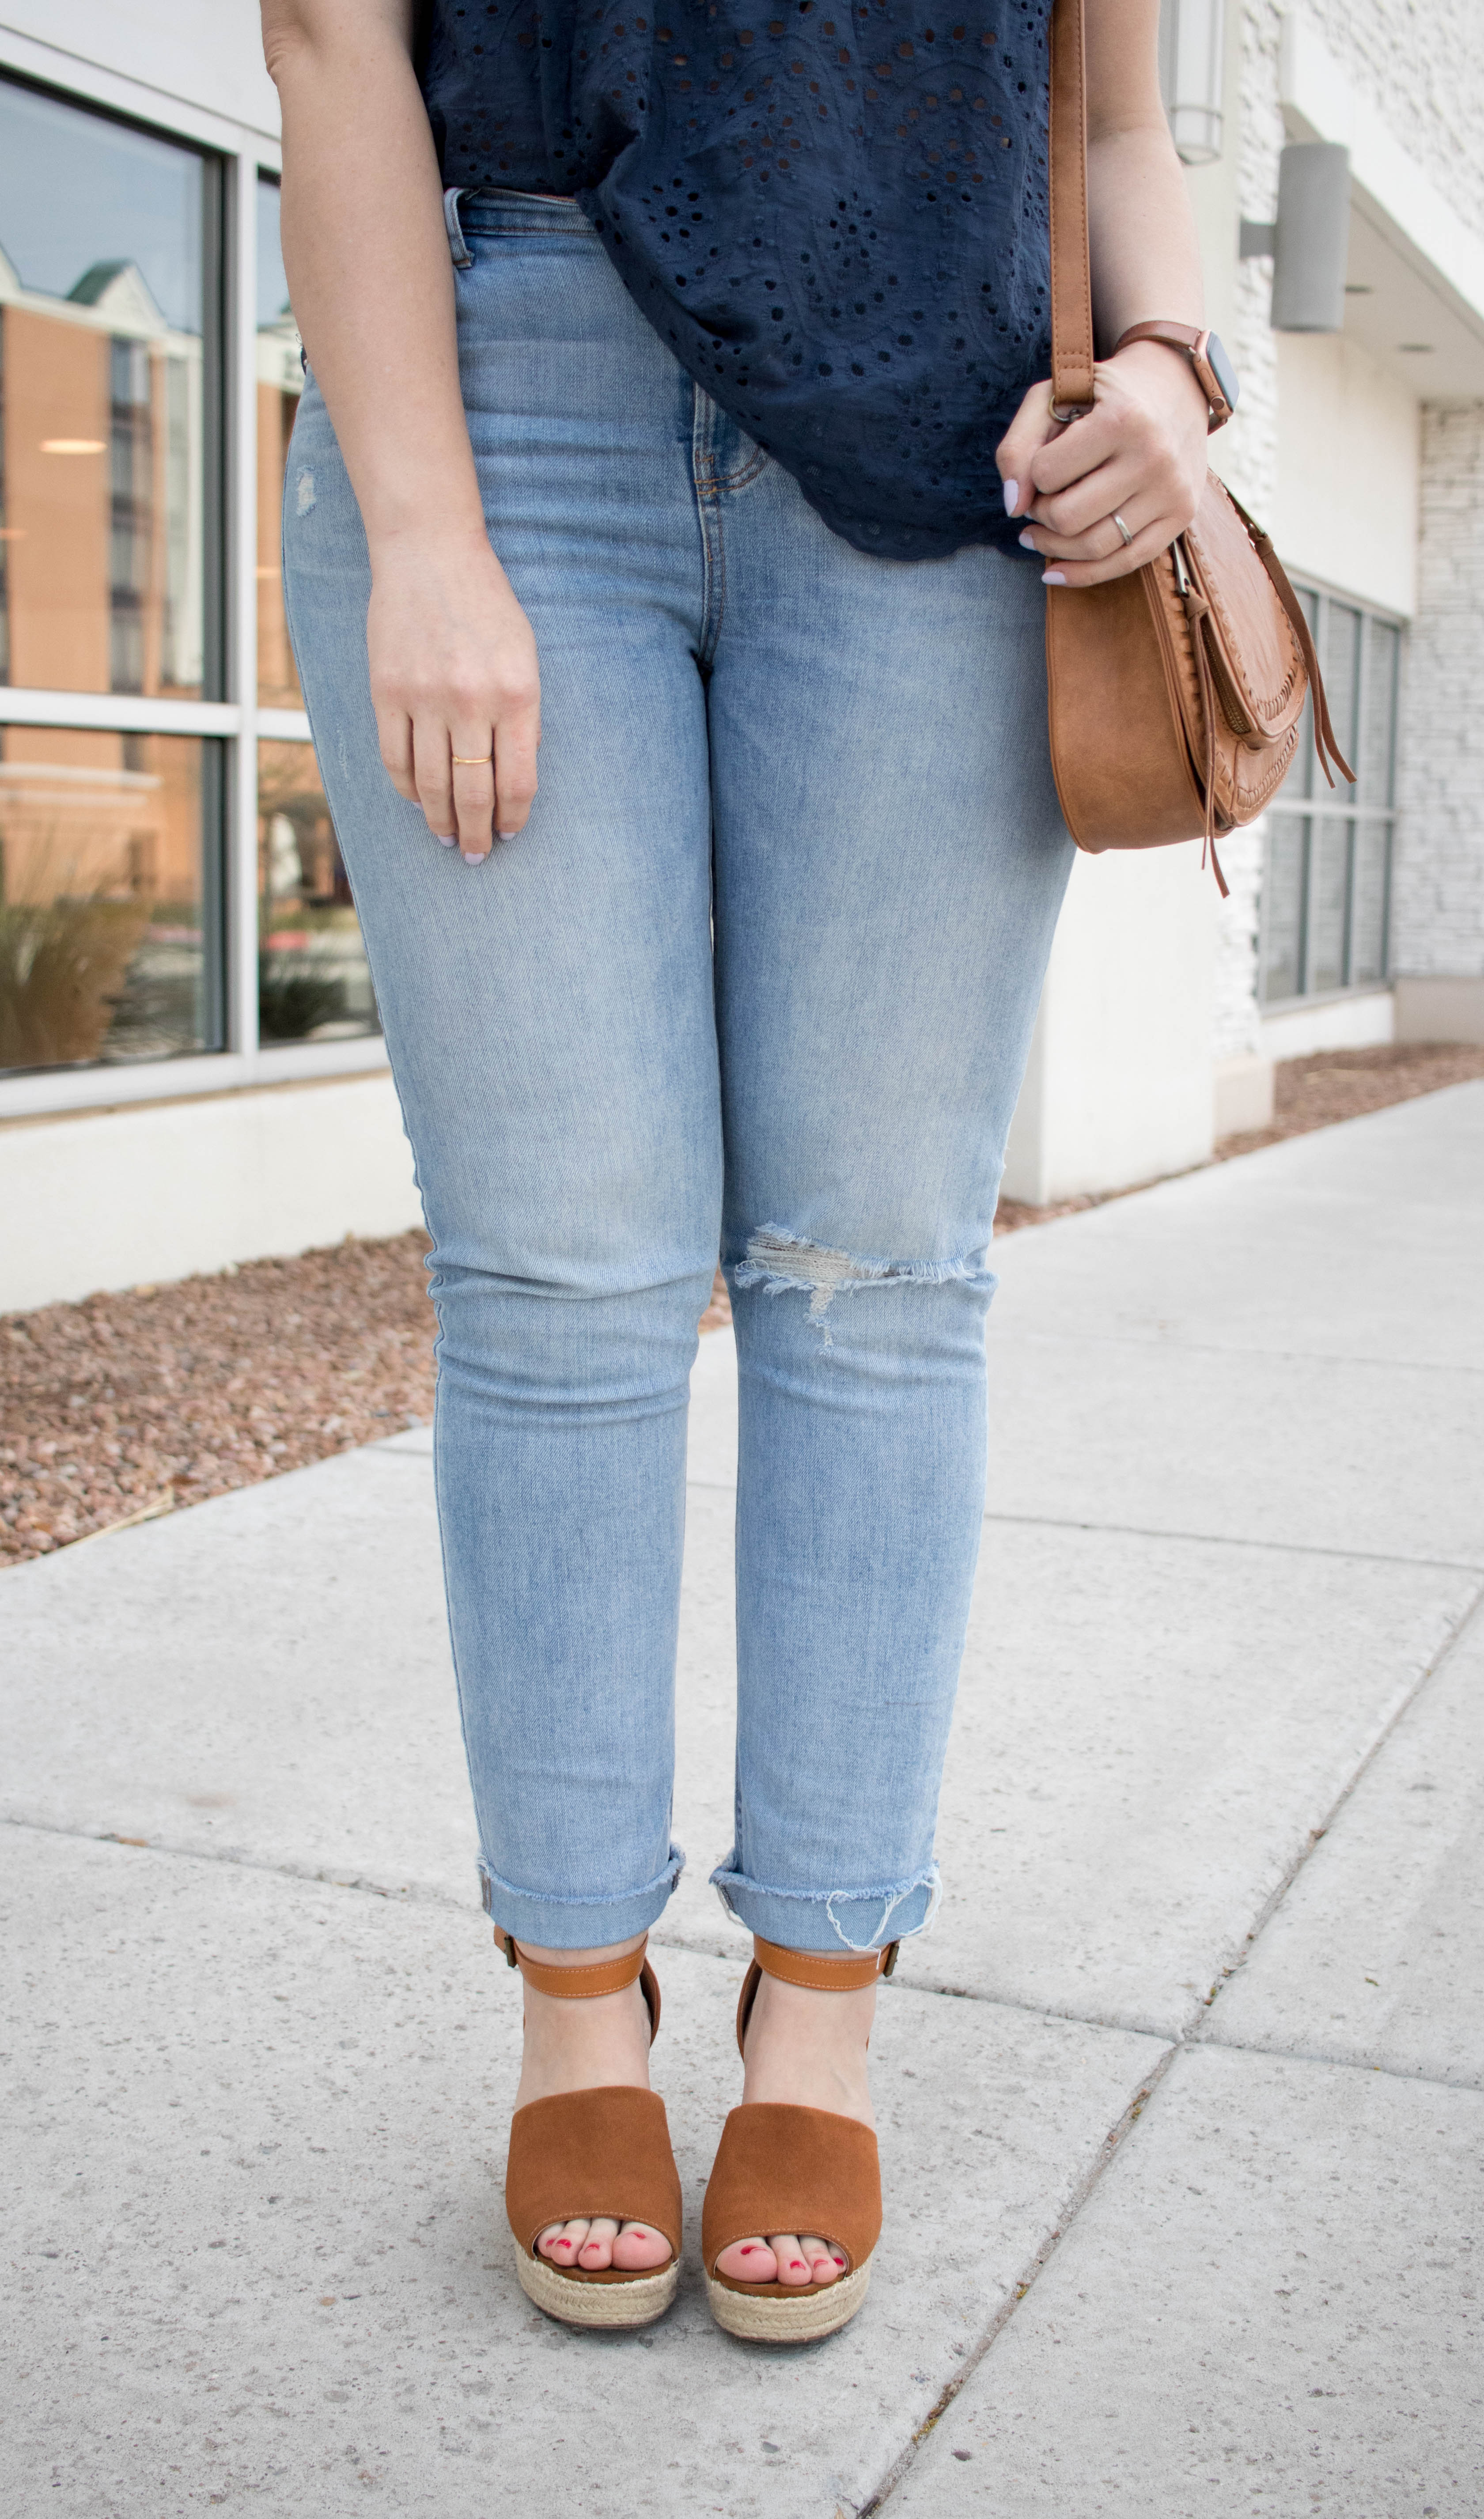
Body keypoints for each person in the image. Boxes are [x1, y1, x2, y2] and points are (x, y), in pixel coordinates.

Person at [264, 0, 1223, 2341]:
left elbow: (1114, 116)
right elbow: (324, 34)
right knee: (563, 1280)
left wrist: (1177, 382)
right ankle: (579, 1993)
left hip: (949, 449)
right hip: (510, 392)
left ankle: (822, 2001)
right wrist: (420, 527)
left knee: (876, 1274)